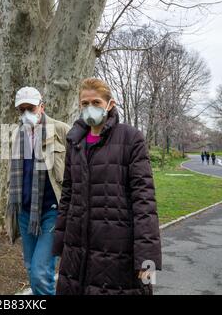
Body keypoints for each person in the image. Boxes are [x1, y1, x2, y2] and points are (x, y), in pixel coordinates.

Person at [53, 78, 162, 295]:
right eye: (84, 103)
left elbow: (144, 202)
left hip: (117, 251)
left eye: (96, 102)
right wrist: (60, 243)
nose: (89, 108)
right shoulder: (74, 142)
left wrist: (147, 259)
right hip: (77, 250)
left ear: (110, 104)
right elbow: (68, 195)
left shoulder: (131, 138)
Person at [6, 86, 70, 295]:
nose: (26, 113)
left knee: (41, 272)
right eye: (22, 109)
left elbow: (77, 171)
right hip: (26, 213)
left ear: (41, 107)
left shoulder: (61, 130)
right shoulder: (17, 135)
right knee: (32, 270)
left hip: (51, 212)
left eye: (30, 108)